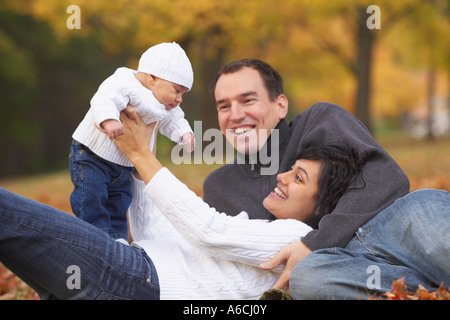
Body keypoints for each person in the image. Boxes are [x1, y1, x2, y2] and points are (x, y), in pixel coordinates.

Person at [0, 106, 368, 300]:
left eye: (299, 178)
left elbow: (206, 230)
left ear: (320, 209)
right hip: (131, 276)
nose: (282, 176)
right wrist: (140, 151)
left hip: (133, 280)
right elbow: (157, 230)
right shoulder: (264, 228)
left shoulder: (296, 235)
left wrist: (143, 155)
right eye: (290, 169)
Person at [202, 59, 449, 298]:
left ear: (280, 106)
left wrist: (315, 242)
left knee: (430, 227)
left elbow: (385, 176)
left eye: (247, 100)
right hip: (343, 264)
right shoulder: (220, 188)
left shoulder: (319, 121)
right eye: (224, 106)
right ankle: (424, 288)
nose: (235, 114)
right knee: (307, 279)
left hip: (392, 227)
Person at [70, 42, 195, 241]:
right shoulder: (124, 82)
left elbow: (175, 119)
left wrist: (184, 134)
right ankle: (95, 238)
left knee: (119, 202)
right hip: (92, 155)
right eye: (177, 90)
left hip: (124, 165)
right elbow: (103, 99)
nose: (179, 99)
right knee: (92, 197)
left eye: (183, 94)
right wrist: (109, 120)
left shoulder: (166, 103)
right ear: (153, 77)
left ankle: (118, 241)